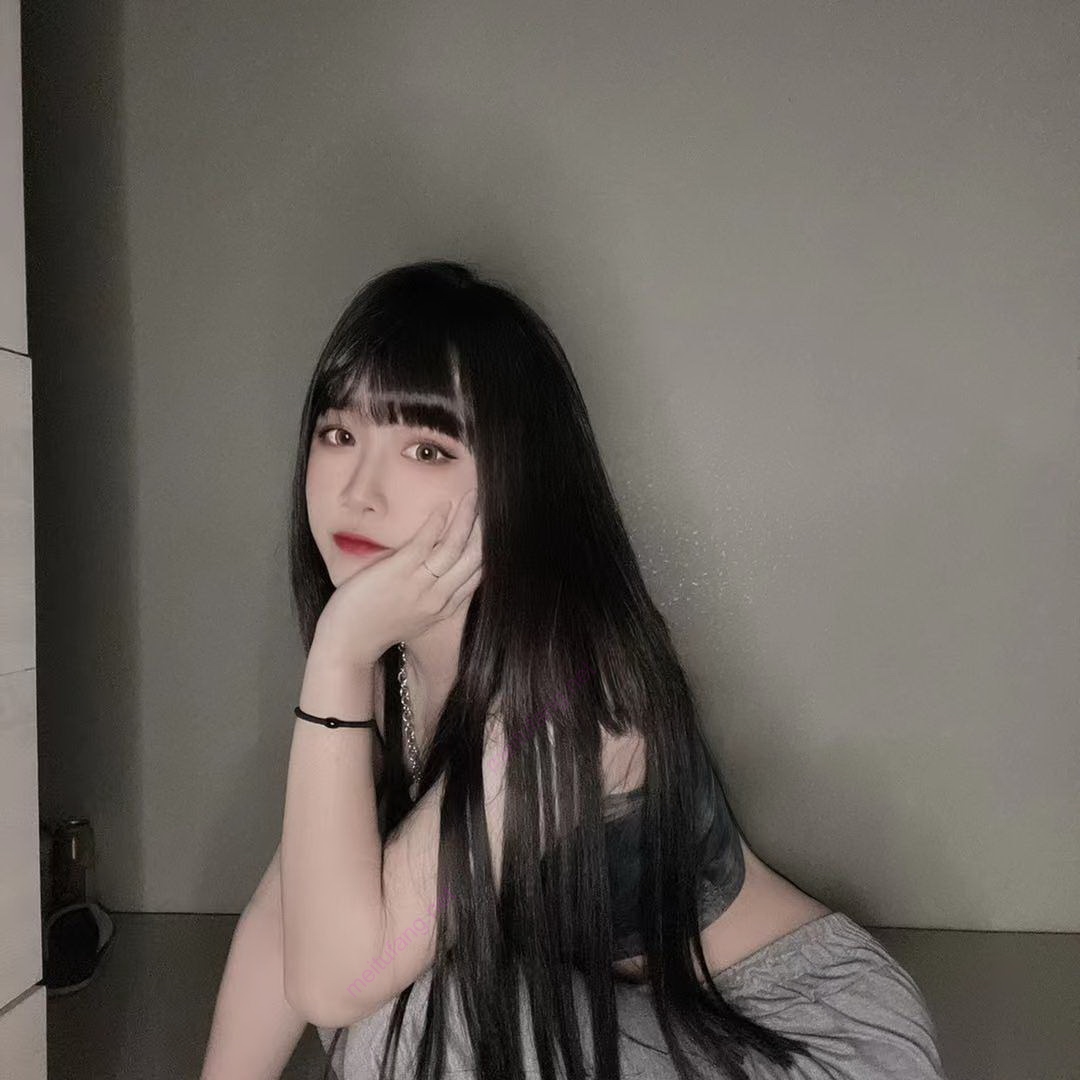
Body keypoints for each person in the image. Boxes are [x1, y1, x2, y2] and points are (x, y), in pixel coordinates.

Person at [202, 260, 948, 1080]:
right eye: (338, 435)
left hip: (800, 1034)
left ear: (517, 478)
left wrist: (337, 654)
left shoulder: (570, 700)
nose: (359, 490)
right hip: (626, 1018)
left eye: (425, 448)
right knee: (368, 966)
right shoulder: (393, 657)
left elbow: (332, 981)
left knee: (398, 1015)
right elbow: (288, 915)